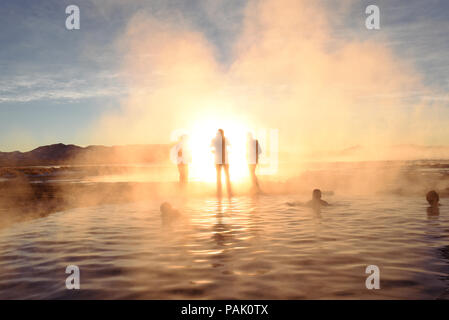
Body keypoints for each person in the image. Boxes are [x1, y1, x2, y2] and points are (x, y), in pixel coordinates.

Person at [211, 129, 232, 197]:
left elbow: (230, 146)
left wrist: (228, 151)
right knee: (221, 176)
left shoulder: (224, 139)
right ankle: (222, 192)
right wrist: (213, 151)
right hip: (219, 160)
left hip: (224, 160)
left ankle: (226, 192)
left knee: (224, 176)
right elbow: (210, 147)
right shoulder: (216, 139)